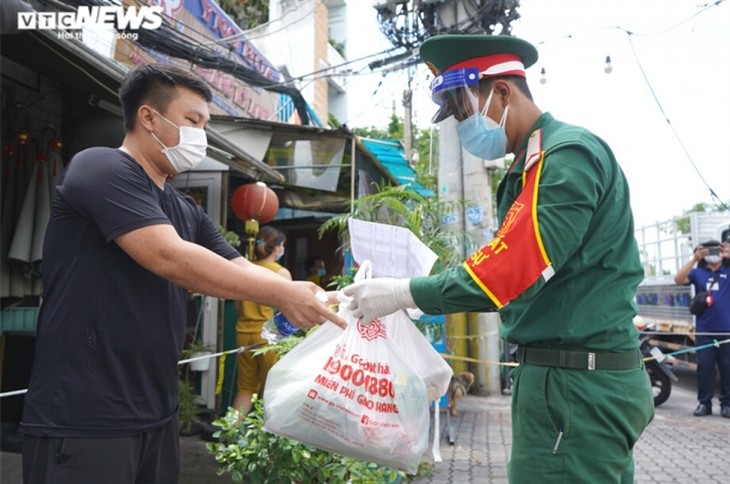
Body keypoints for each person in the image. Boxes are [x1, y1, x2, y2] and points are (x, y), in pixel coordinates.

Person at [343, 34, 654, 483]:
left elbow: (509, 270)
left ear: (502, 91)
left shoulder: (566, 158)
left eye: (465, 112)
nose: (463, 127)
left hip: (576, 385)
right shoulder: (531, 164)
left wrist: (402, 292)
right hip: (566, 377)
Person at [20, 63, 345, 484]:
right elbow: (170, 258)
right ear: (149, 117)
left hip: (157, 413)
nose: (200, 136)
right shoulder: (99, 168)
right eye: (192, 121)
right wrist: (283, 298)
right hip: (85, 417)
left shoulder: (183, 208)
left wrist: (320, 297)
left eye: (205, 124)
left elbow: (241, 267)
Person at [232, 226, 291, 415]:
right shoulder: (280, 273)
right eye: (281, 245)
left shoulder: (245, 269)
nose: (282, 249)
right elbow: (288, 310)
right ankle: (262, 442)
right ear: (276, 248)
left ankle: (228, 436)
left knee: (245, 389)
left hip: (243, 334)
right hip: (268, 337)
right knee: (270, 390)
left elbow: (237, 307)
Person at [673, 239, 730, 418]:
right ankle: (704, 403)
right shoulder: (698, 272)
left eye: (717, 249)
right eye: (709, 251)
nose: (714, 254)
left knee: (727, 369)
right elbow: (678, 279)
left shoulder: (727, 270)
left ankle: (727, 404)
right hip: (704, 331)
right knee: (705, 368)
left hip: (727, 332)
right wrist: (694, 258)